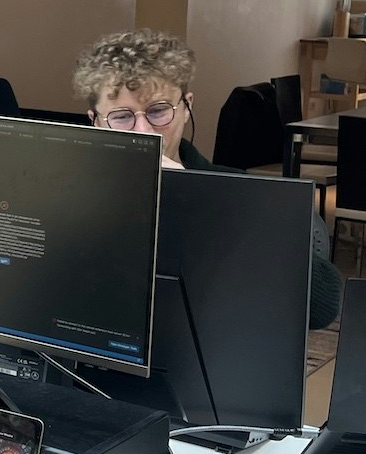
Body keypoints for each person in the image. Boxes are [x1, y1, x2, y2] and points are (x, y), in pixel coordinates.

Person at [72, 30, 341, 329]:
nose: (144, 132)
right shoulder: (71, 196)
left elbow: (322, 307)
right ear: (95, 122)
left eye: (159, 111)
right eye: (122, 117)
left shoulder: (241, 192)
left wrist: (202, 201)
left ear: (187, 107)